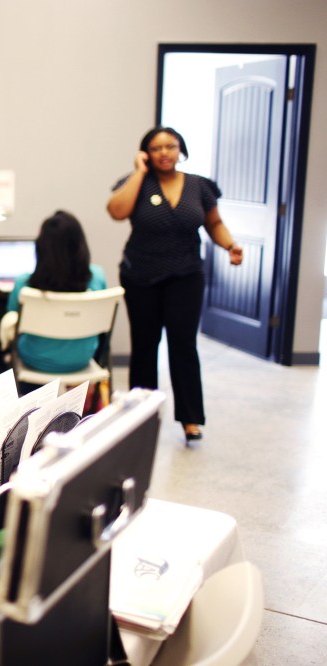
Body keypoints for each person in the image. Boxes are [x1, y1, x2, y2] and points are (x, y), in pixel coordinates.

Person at [106, 126, 243, 443]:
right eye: (156, 148)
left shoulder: (199, 186)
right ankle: (140, 416)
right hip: (140, 275)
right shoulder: (136, 182)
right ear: (145, 153)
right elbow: (116, 211)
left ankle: (191, 419)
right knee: (145, 345)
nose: (164, 152)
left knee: (183, 345)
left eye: (171, 146)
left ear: (181, 150)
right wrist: (139, 172)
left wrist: (229, 245)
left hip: (185, 274)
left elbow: (214, 223)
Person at [1, 210, 108, 375]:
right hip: (82, 359)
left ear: (40, 247)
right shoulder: (98, 278)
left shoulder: (24, 285)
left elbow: (12, 321)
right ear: (80, 245)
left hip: (35, 360)